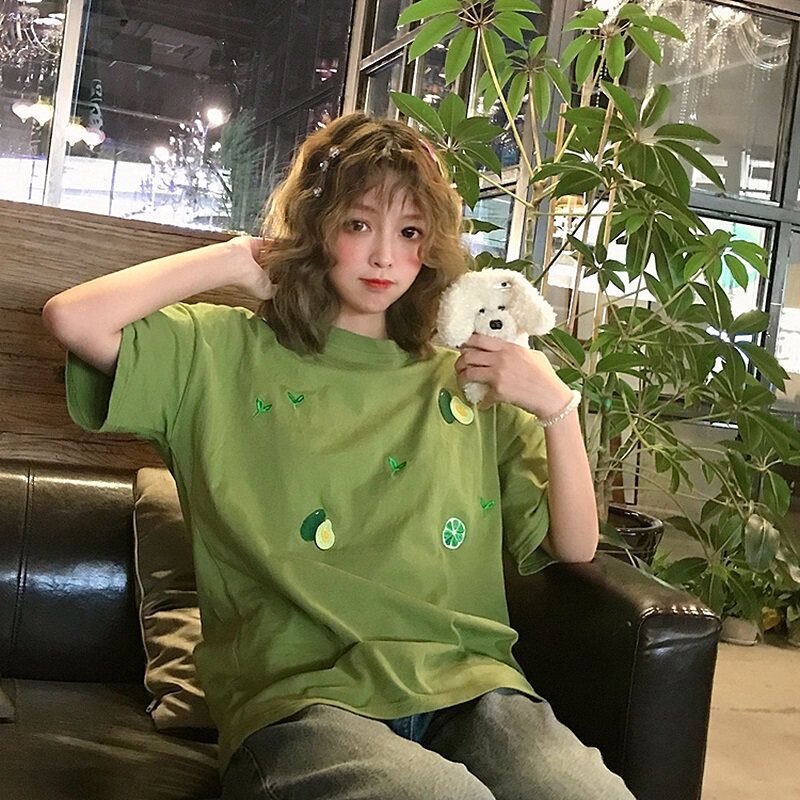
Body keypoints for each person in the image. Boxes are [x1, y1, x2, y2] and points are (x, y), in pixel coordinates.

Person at [42, 111, 634, 800]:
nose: (384, 257)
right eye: (358, 224)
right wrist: (234, 260)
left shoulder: (470, 376)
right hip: (300, 699)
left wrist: (557, 406)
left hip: (472, 686)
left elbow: (575, 545)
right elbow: (73, 318)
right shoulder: (221, 352)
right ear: (315, 227)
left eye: (409, 232)